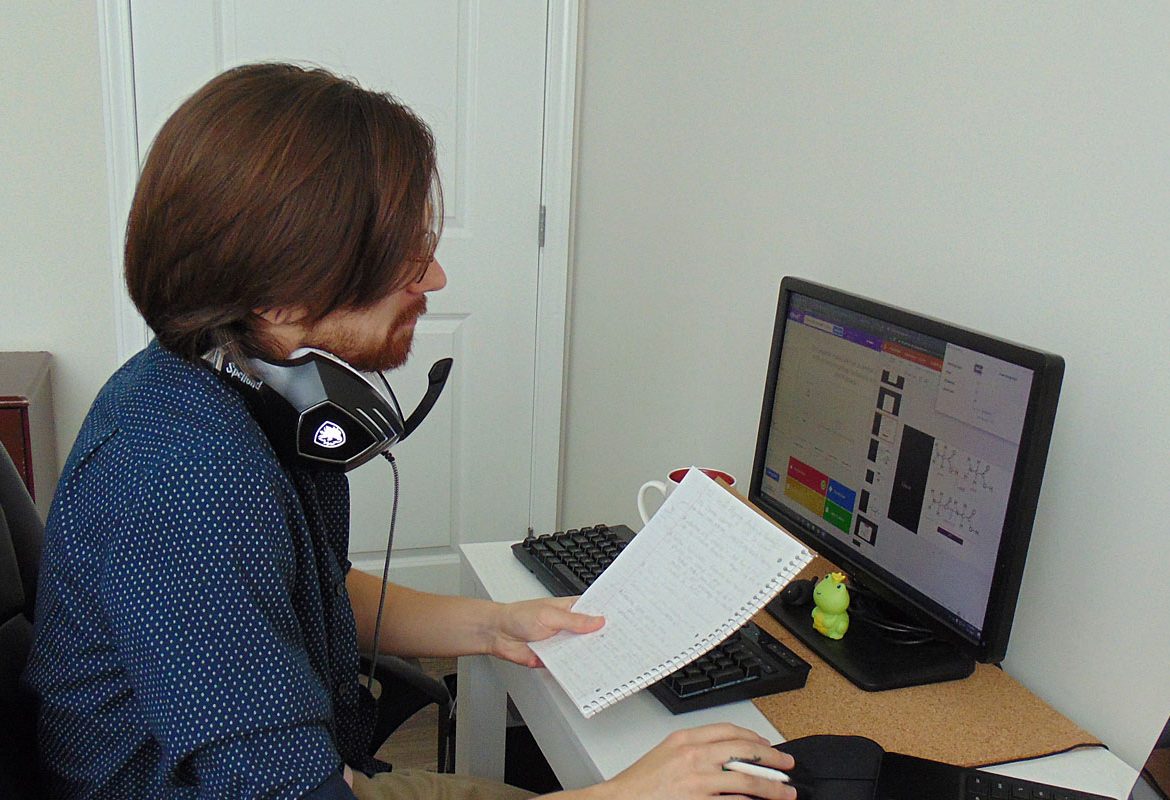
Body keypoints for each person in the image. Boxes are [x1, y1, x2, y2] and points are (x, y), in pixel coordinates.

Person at [24, 63, 796, 800]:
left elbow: (308, 592)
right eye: (401, 255)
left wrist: (495, 625)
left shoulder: (208, 380)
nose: (433, 278)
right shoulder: (187, 482)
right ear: (280, 298)